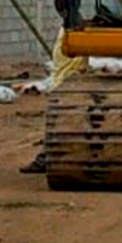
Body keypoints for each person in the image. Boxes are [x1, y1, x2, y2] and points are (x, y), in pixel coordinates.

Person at [18, 27, 88, 174]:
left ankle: (45, 158)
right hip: (67, 82)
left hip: (67, 83)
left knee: (60, 124)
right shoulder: (73, 33)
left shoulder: (70, 34)